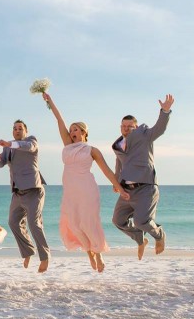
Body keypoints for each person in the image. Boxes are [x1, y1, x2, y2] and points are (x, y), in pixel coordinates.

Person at [42, 92, 130, 273]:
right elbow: (59, 120)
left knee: (88, 224)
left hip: (88, 190)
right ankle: (89, 251)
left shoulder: (92, 150)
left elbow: (106, 170)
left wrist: (120, 188)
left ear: (84, 132)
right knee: (74, 224)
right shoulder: (67, 145)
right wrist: (50, 101)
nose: (71, 131)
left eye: (75, 129)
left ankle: (97, 253)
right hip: (70, 192)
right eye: (71, 129)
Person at [110, 94, 174, 259]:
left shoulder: (145, 135)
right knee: (118, 220)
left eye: (130, 126)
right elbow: (119, 164)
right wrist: (116, 183)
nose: (126, 128)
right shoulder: (118, 145)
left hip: (146, 187)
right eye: (124, 126)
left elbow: (159, 129)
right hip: (127, 191)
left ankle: (159, 234)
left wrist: (165, 111)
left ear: (136, 127)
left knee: (141, 221)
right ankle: (140, 239)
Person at [0, 119, 51, 272]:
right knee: (13, 222)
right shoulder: (8, 147)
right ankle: (28, 251)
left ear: (25, 130)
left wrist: (8, 144)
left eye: (20, 128)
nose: (17, 130)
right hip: (17, 192)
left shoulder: (31, 141)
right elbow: (1, 164)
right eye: (14, 128)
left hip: (34, 191)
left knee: (33, 223)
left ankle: (45, 257)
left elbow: (28, 147)